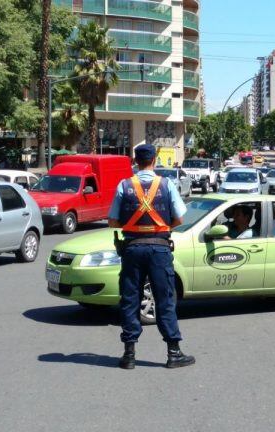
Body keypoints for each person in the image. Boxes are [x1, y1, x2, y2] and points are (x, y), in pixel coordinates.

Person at [107, 144, 195, 370]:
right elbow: (179, 219)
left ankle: (129, 354)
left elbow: (112, 221)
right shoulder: (166, 184)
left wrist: (133, 226)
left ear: (135, 161)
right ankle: (173, 353)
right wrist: (161, 227)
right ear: (154, 161)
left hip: (132, 249)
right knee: (165, 299)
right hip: (159, 249)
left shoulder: (124, 185)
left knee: (130, 299)